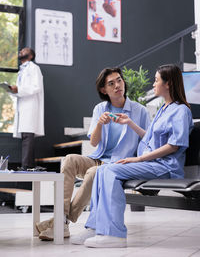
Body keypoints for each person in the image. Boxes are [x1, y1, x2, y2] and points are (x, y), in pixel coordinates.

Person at [72, 64, 194, 248]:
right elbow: (150, 138)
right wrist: (130, 123)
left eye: (156, 80)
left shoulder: (181, 110)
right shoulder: (164, 108)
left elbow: (174, 145)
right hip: (153, 164)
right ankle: (95, 227)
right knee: (103, 170)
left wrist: (138, 158)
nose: (153, 84)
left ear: (168, 84)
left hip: (165, 166)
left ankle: (115, 234)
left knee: (110, 171)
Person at [36, 67, 150, 240]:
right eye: (111, 83)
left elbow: (148, 139)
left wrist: (132, 126)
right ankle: (61, 220)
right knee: (69, 160)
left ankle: (61, 222)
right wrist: (99, 124)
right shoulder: (100, 109)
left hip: (119, 164)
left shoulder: (139, 111)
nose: (118, 85)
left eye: (119, 80)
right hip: (98, 158)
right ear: (104, 90)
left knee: (93, 173)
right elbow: (94, 142)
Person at [10, 47, 44, 170]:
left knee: (28, 135)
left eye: (24, 51)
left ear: (30, 56)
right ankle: (27, 165)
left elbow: (36, 87)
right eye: (21, 50)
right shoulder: (22, 71)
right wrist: (12, 91)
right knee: (25, 136)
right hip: (23, 105)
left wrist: (18, 89)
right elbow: (20, 89)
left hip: (30, 105)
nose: (21, 51)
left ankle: (27, 165)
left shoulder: (34, 68)